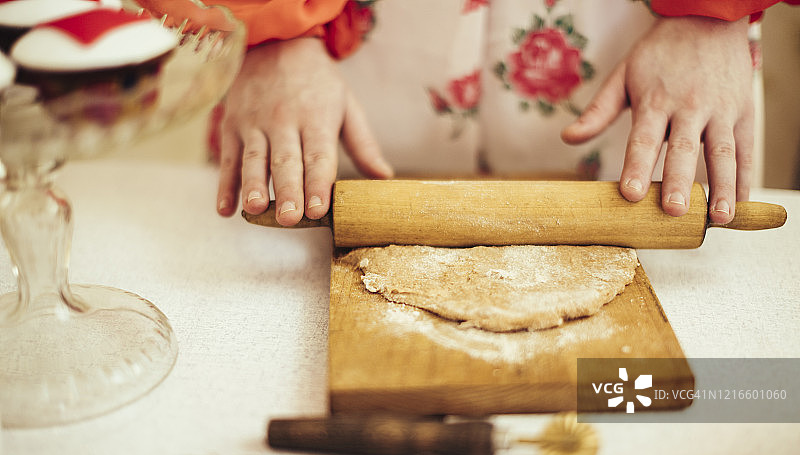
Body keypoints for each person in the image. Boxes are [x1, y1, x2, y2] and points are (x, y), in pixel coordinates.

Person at [142, 0, 798, 227]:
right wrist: (264, 26)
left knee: (678, 398)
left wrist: (715, 10)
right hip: (317, 57)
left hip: (663, 47)